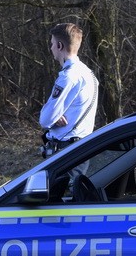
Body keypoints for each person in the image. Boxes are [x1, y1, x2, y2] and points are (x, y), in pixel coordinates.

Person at [39, 22, 99, 157]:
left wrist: (51, 115)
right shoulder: (88, 73)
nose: (51, 48)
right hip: (81, 147)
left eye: (52, 44)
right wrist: (55, 115)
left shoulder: (68, 77)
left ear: (59, 46)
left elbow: (45, 119)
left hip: (67, 151)